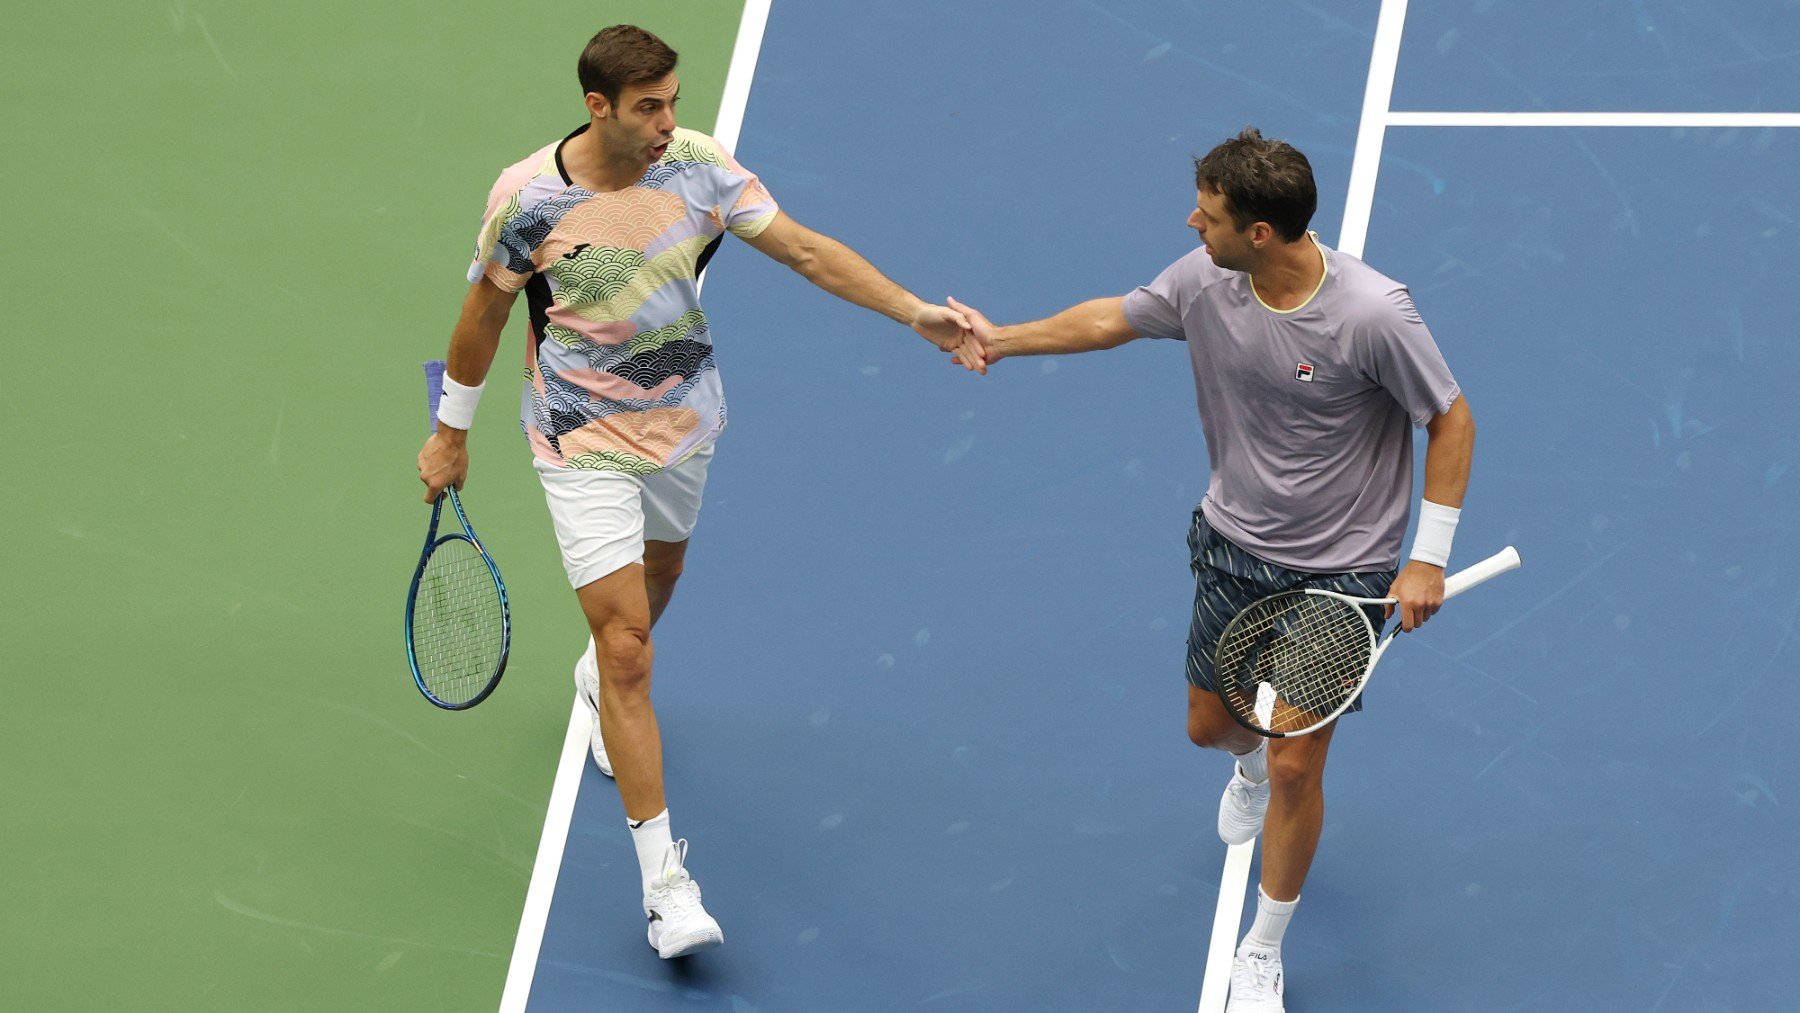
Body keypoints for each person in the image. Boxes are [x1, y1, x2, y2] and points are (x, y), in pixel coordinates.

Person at [415, 24, 977, 960]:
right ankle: (666, 888)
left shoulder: (698, 166)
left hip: (683, 423)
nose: (669, 122)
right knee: (630, 646)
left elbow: (804, 250)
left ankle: (600, 680)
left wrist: (911, 308)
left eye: (673, 100)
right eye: (649, 108)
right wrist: (451, 430)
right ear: (598, 107)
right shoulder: (529, 199)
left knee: (661, 582)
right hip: (577, 436)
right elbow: (484, 312)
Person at [947, 127, 1474, 1011]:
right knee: (1213, 728)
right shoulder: (1205, 279)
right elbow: (1114, 316)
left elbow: (1450, 419)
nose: (1193, 221)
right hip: (1233, 544)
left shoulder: (1375, 315)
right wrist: (1006, 339)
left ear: (1260, 233)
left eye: (1211, 214)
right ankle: (1247, 764)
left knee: (1299, 762)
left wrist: (1428, 556)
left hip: (1345, 572)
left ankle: (1263, 947)